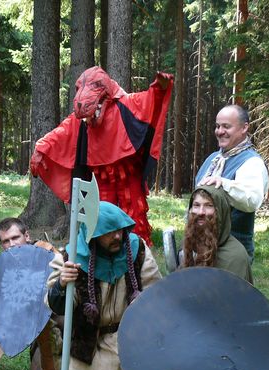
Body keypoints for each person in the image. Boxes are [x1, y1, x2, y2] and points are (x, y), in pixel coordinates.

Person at [180, 185, 269, 370]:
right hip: (200, 329)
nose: (201, 212)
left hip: (231, 341)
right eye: (196, 205)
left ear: (221, 213)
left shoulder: (234, 256)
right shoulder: (192, 247)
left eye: (209, 206)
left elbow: (233, 315)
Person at [31, 66, 173, 245]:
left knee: (134, 216)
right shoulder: (83, 120)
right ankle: (100, 255)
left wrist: (160, 87)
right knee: (101, 217)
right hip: (100, 178)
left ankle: (137, 254)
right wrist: (41, 149)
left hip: (128, 174)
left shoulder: (126, 104)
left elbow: (149, 101)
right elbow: (62, 132)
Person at [45, 201, 161, 370]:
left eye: (120, 230)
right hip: (90, 342)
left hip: (129, 338)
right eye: (108, 232)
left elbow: (156, 295)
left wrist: (145, 306)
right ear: (93, 234)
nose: (117, 236)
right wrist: (62, 283)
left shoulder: (137, 250)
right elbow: (58, 306)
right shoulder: (71, 258)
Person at [194, 104, 269, 262]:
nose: (220, 131)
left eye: (226, 126)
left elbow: (252, 200)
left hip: (232, 255)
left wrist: (224, 184)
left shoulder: (251, 162)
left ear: (244, 128)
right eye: (217, 126)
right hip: (200, 247)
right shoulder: (212, 159)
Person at [0, 217, 62, 370]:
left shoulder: (47, 252)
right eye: (6, 241)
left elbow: (60, 292)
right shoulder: (8, 263)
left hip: (60, 317)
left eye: (15, 238)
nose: (11, 244)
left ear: (26, 236)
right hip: (36, 324)